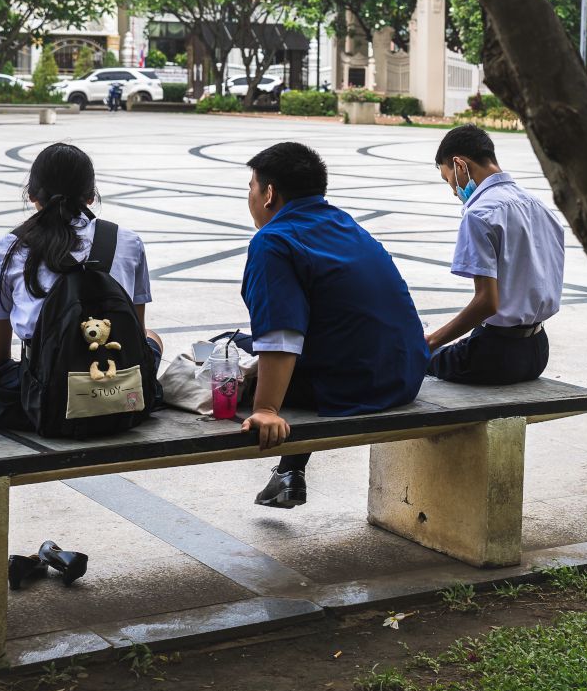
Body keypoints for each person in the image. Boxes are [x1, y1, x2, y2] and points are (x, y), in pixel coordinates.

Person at [240, 142, 428, 509]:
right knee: (256, 348)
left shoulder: (272, 241)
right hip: (404, 375)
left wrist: (266, 410)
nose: (250, 195)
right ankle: (288, 472)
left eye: (251, 187)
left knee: (226, 356)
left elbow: (282, 334)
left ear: (270, 193)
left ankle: (287, 470)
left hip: (351, 387)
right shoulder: (345, 223)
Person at [0, 142, 163, 427]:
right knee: (153, 338)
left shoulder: (7, 249)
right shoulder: (128, 241)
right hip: (124, 394)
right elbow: (137, 337)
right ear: (90, 196)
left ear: (32, 194)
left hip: (48, 404)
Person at [426, 125, 565, 384]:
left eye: (450, 181)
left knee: (422, 359)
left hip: (496, 356)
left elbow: (487, 303)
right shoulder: (540, 207)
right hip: (538, 351)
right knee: (452, 351)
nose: (455, 192)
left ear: (459, 165)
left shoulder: (479, 214)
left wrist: (432, 341)